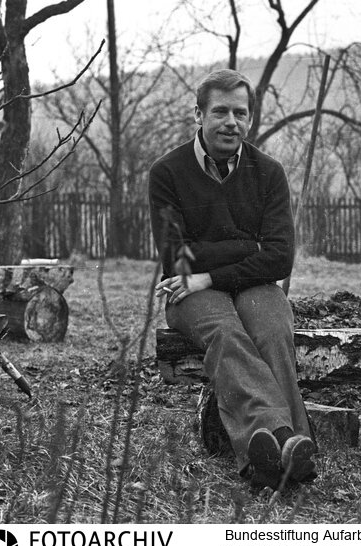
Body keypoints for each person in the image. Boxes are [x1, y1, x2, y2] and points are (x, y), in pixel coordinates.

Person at [148, 69, 315, 491]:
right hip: (187, 290)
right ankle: (289, 442)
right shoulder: (167, 172)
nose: (231, 122)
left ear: (250, 119)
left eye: (240, 113)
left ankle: (270, 455)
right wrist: (247, 247)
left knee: (274, 331)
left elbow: (280, 258)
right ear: (199, 115)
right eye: (220, 111)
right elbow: (175, 255)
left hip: (242, 284)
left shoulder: (268, 172)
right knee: (226, 334)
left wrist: (211, 271)